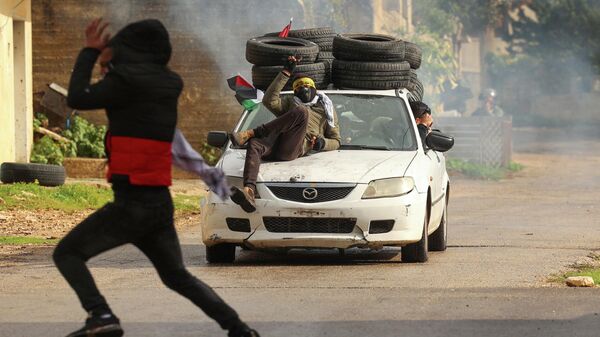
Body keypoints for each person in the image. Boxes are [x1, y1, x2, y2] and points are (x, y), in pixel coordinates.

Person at [53, 18, 259, 337]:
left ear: (126, 50)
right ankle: (240, 329)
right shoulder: (167, 83)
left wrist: (91, 52)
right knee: (177, 276)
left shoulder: (125, 81)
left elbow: (78, 98)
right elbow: (127, 101)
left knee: (66, 253)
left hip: (131, 204)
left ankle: (101, 314)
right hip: (158, 205)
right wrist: (111, 62)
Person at [229, 56, 341, 213]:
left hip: (295, 147)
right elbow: (269, 101)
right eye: (299, 86)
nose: (304, 88)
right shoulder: (290, 102)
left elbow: (336, 140)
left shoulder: (325, 108)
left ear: (315, 88)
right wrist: (285, 72)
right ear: (295, 91)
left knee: (301, 112)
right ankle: (248, 192)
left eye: (307, 85)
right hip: (276, 142)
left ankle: (251, 132)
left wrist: (322, 143)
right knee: (255, 144)